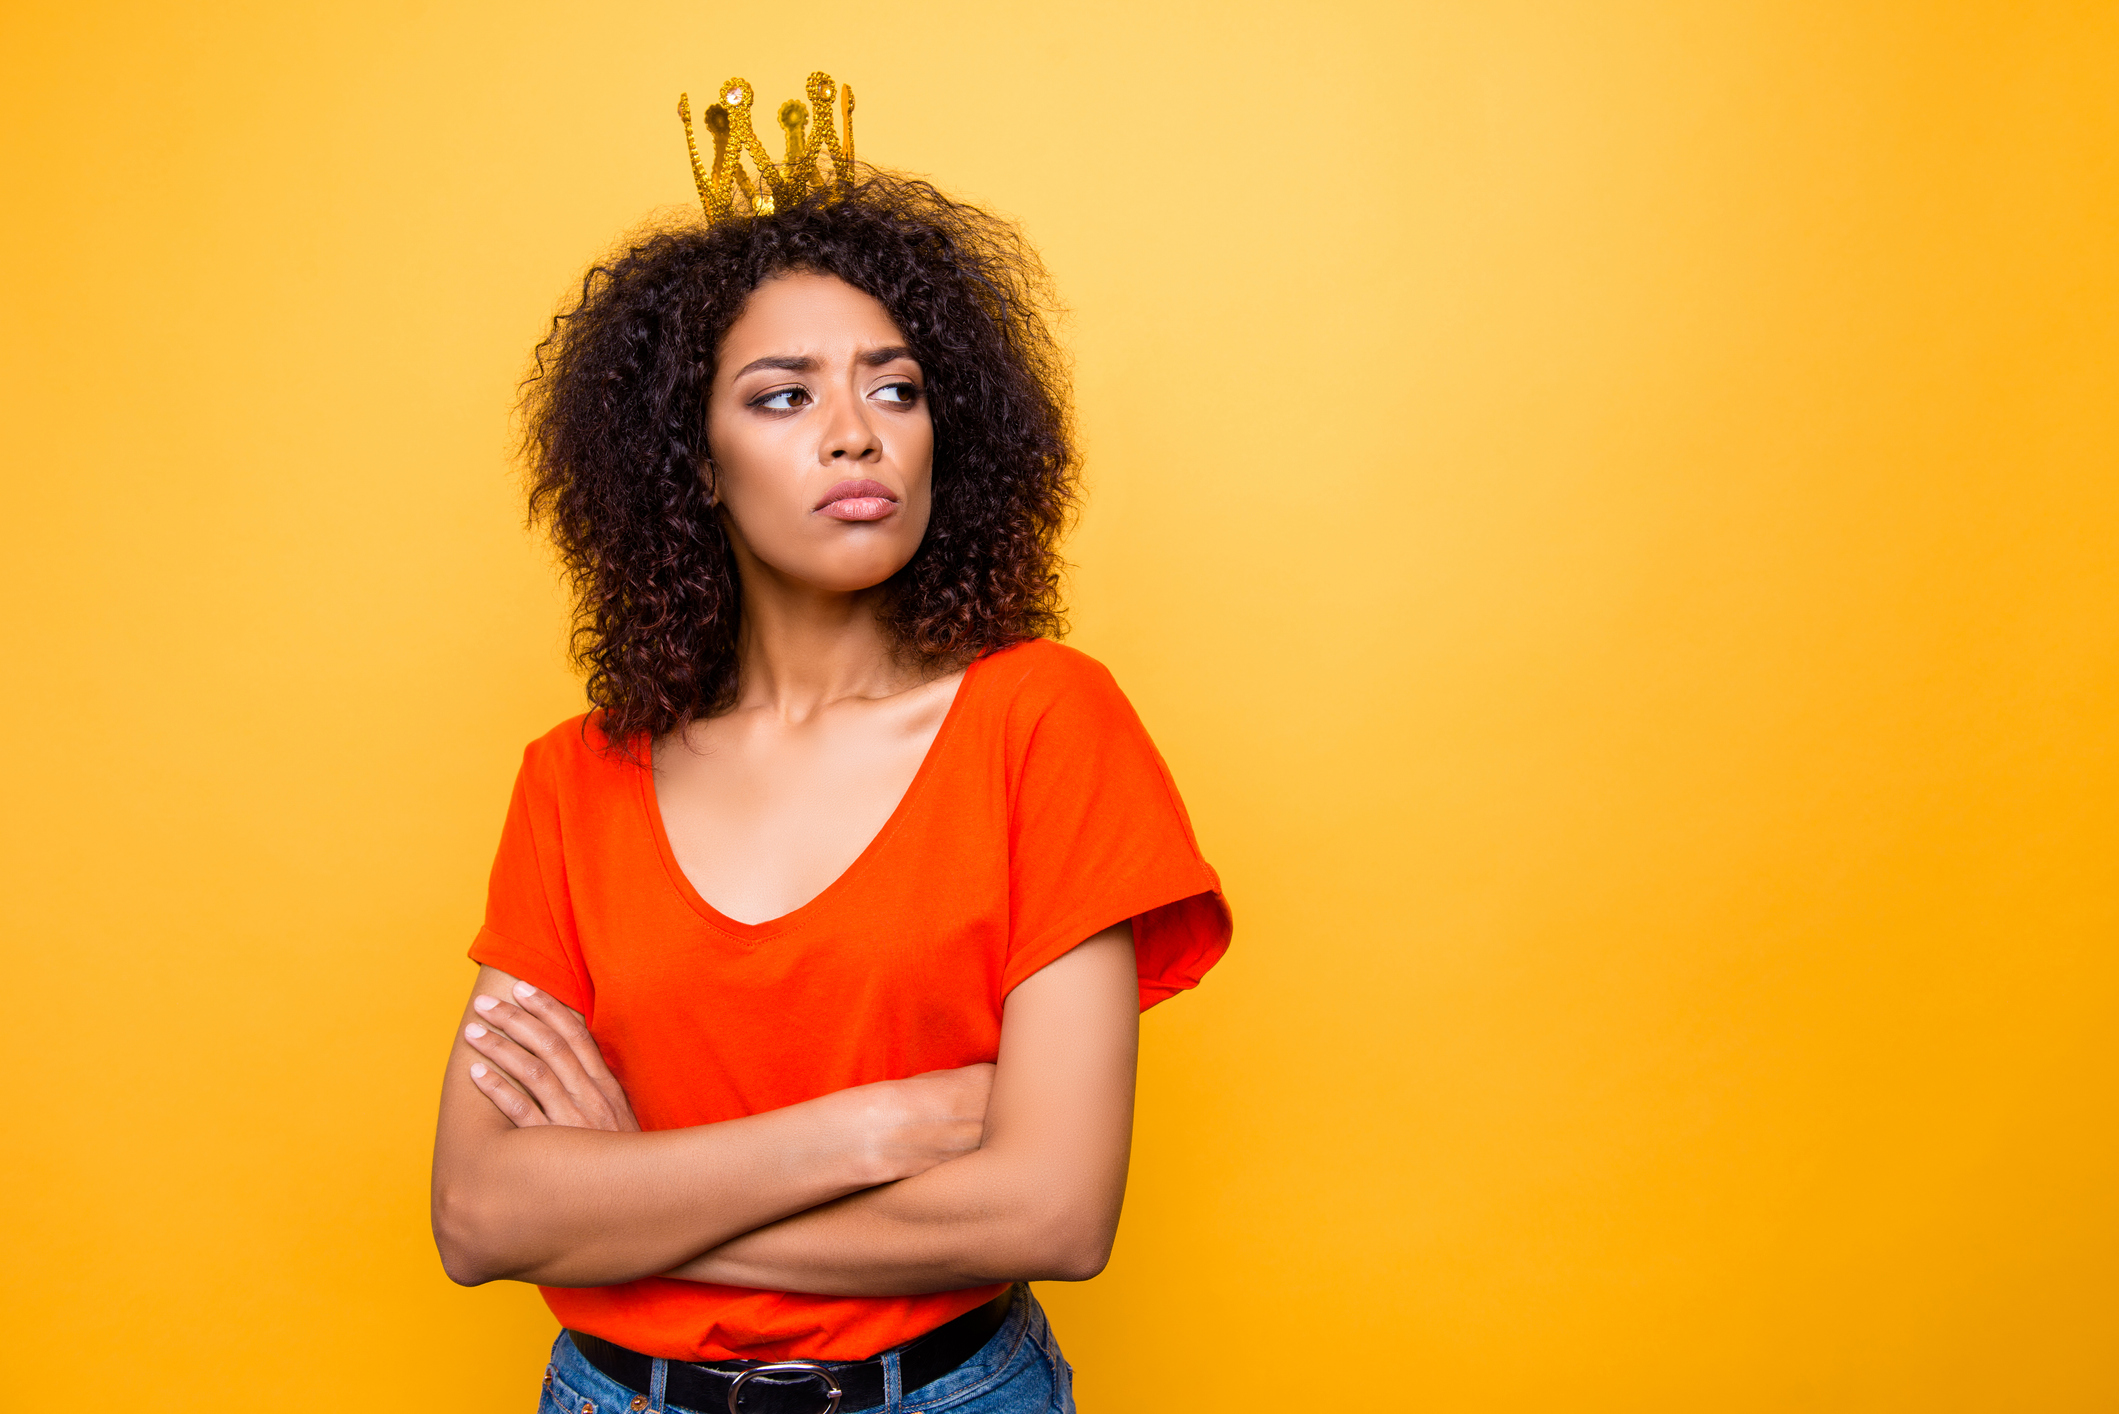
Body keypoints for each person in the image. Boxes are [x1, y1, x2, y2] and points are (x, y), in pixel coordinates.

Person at [430, 72, 1231, 1414]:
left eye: (896, 387)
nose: (857, 430)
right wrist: (866, 1132)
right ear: (692, 459)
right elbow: (478, 1213)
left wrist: (639, 1195)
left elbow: (1054, 1209)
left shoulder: (1043, 721)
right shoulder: (572, 780)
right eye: (782, 396)